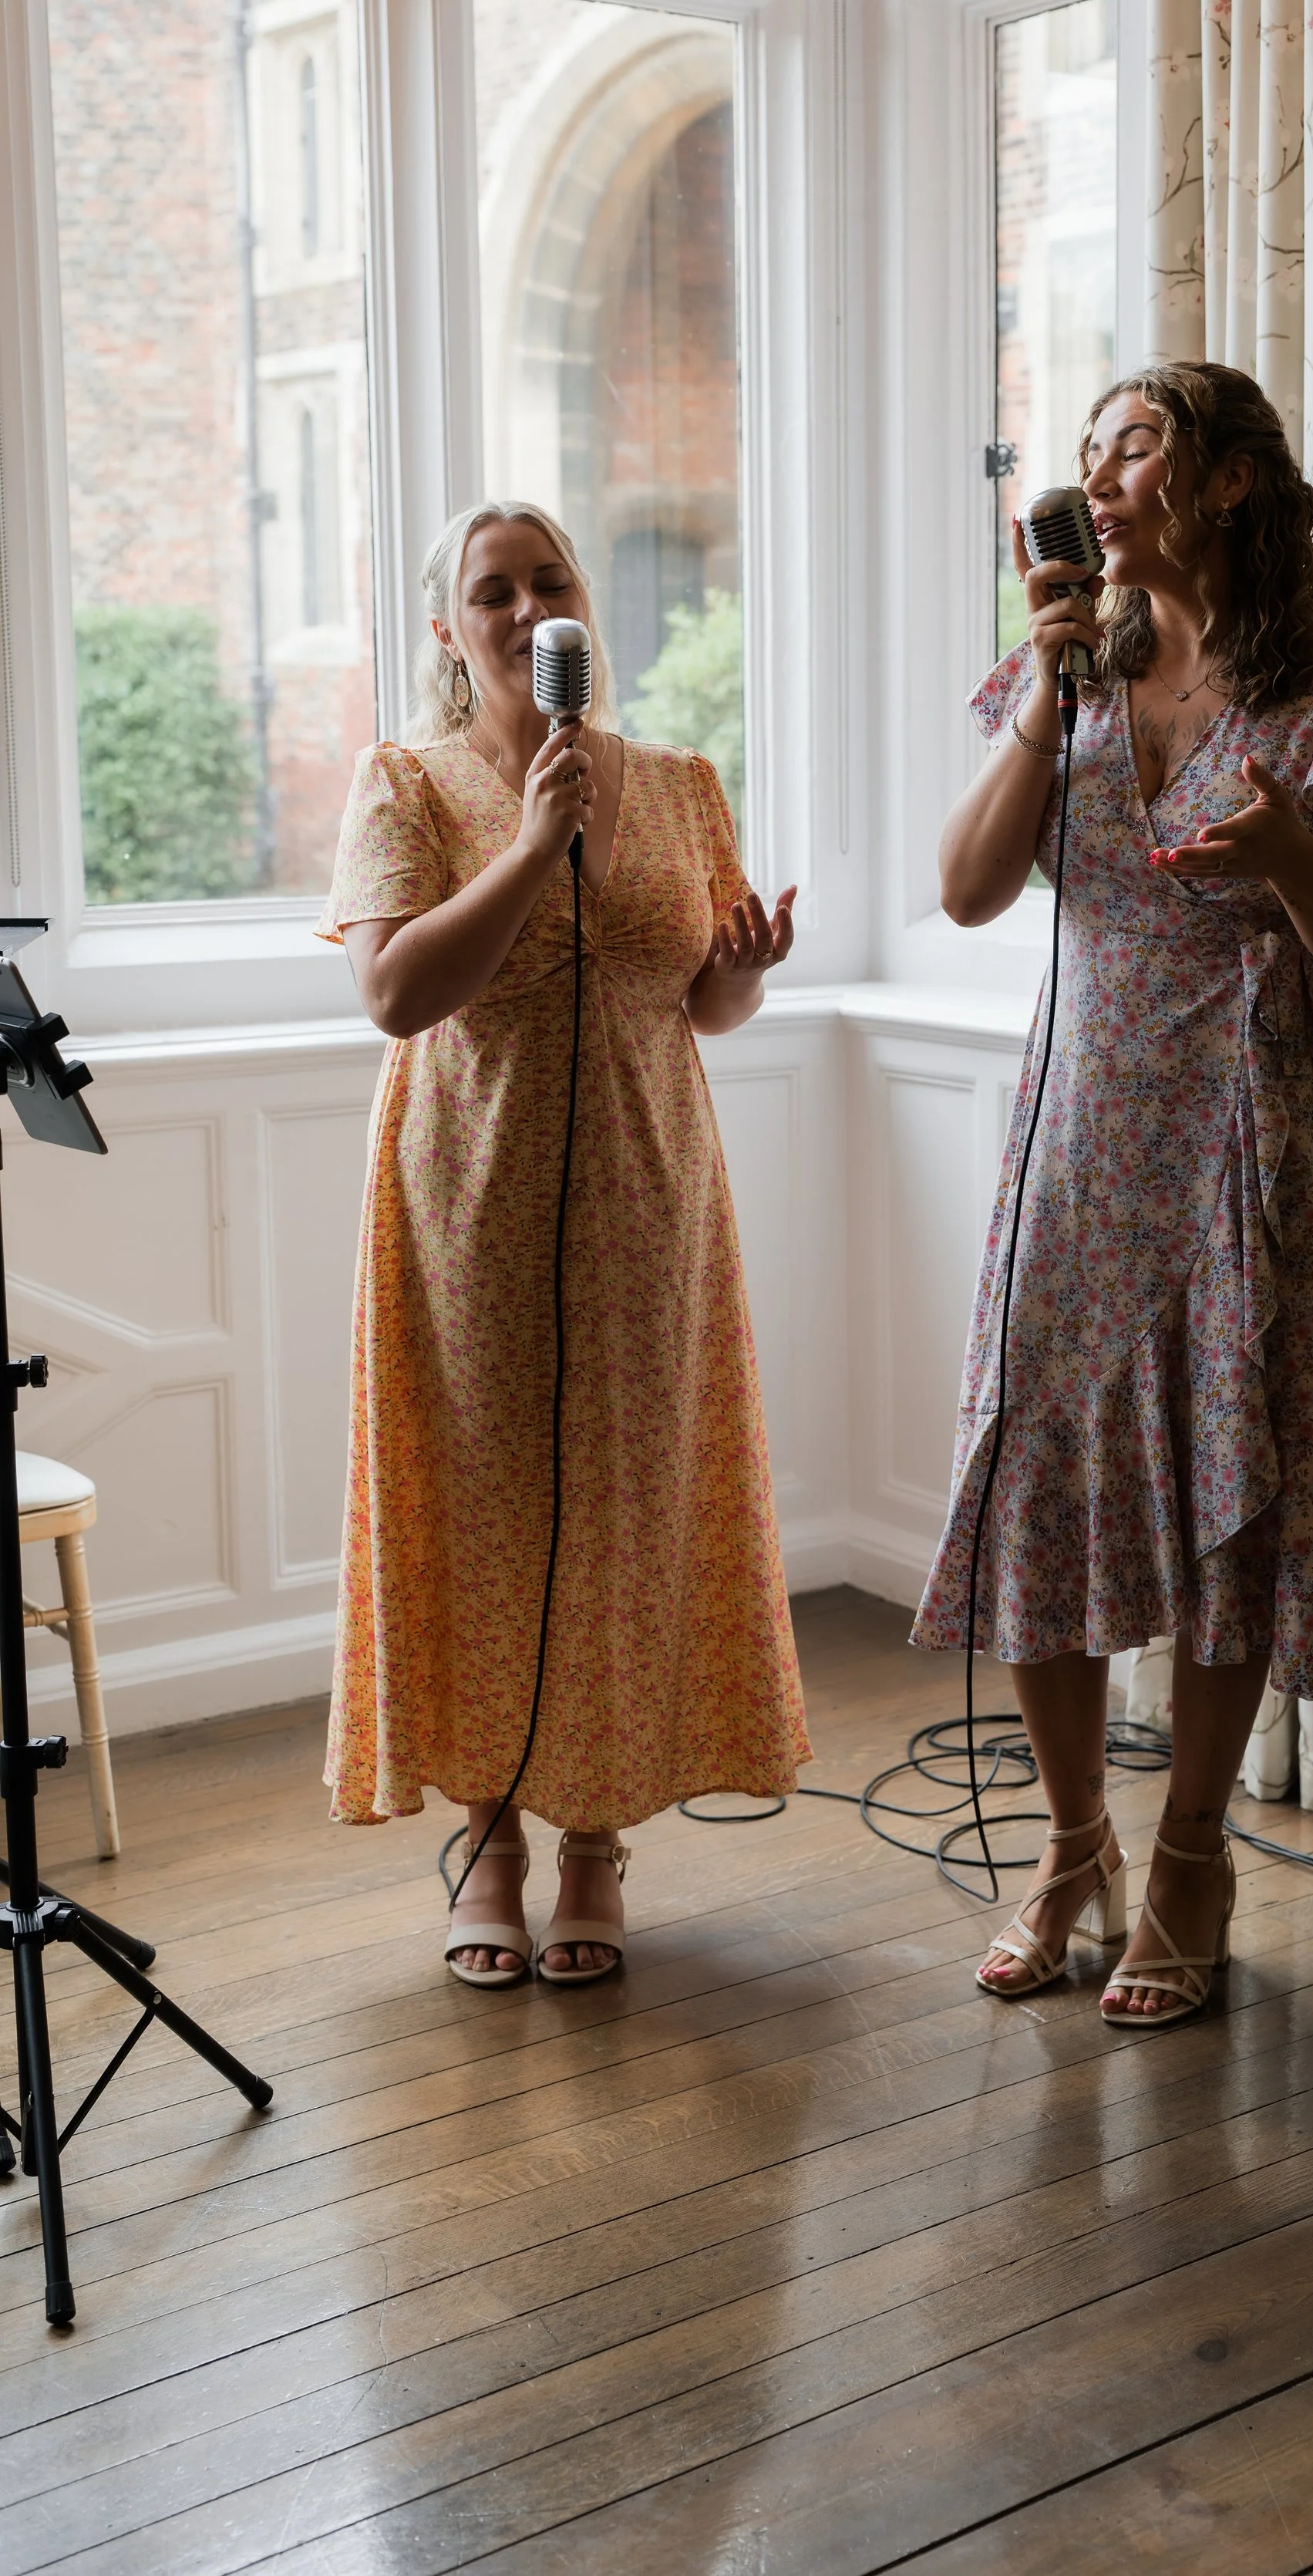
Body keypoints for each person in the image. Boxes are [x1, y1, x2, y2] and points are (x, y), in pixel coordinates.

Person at [915, 364, 1313, 2029]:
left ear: (1224, 481)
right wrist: (1049, 679)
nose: (1097, 476)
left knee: (1234, 1494)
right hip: (1078, 1130)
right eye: (1086, 454)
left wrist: (1288, 856)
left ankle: (1192, 1857)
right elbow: (967, 889)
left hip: (1249, 1125)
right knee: (1039, 1477)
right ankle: (1070, 1844)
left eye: (1131, 445)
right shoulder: (1062, 672)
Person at [320, 500, 810, 1987]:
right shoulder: (404, 783)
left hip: (652, 1201)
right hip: (466, 1204)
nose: (528, 608)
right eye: (494, 590)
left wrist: (743, 974)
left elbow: (700, 1002)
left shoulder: (680, 783)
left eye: (550, 581)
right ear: (448, 628)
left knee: (623, 1511)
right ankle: (489, 1840)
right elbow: (398, 996)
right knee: (481, 1510)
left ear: (586, 604)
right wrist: (535, 843)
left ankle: (595, 1840)